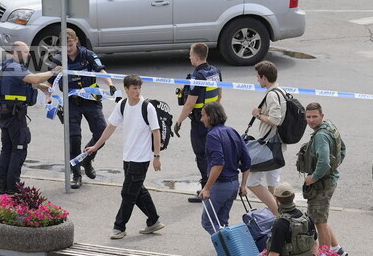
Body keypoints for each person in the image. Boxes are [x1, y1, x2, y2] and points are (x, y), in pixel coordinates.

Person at [85, 74, 163, 239]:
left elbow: (156, 132)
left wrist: (156, 156)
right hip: (128, 157)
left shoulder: (147, 107)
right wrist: (95, 147)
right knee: (138, 191)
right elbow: (110, 128)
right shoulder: (122, 105)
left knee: (127, 193)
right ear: (126, 89)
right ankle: (154, 220)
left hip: (141, 159)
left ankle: (119, 227)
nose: (137, 91)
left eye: (139, 88)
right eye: (134, 88)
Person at [51, 29, 116, 189]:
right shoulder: (58, 60)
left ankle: (87, 159)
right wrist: (46, 93)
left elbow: (101, 70)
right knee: (74, 139)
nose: (68, 49)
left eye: (71, 45)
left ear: (77, 41)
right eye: (65, 46)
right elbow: (49, 80)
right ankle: (76, 174)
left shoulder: (87, 55)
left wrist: (111, 85)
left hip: (90, 101)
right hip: (71, 103)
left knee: (101, 133)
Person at [0, 42, 58, 195]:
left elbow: (23, 83)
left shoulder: (4, 65)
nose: (29, 55)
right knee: (19, 149)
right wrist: (53, 72)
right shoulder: (15, 67)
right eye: (26, 52)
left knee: (7, 149)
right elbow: (33, 79)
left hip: (4, 113)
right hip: (15, 116)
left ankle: (3, 186)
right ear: (17, 52)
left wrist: (43, 88)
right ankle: (13, 188)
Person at [173, 43, 223, 203]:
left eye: (190, 54)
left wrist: (179, 121)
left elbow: (190, 103)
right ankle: (213, 187)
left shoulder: (197, 77)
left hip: (200, 122)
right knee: (214, 154)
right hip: (215, 118)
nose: (189, 56)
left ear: (195, 56)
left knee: (202, 155)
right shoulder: (215, 71)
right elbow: (219, 95)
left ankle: (206, 189)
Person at [299, 102, 348, 256]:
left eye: (314, 116)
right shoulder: (329, 127)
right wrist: (333, 168)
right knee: (321, 216)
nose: (311, 120)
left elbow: (324, 162)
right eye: (308, 117)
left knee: (319, 221)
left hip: (321, 184)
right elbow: (342, 150)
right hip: (330, 179)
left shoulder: (320, 135)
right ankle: (337, 249)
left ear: (322, 116)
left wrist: (313, 178)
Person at [197, 102, 250, 234]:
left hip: (220, 186)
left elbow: (218, 164)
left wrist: (207, 188)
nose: (201, 119)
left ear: (210, 117)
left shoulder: (212, 135)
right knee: (222, 222)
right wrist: (243, 185)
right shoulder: (232, 131)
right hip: (233, 185)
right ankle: (225, 254)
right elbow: (247, 160)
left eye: (203, 115)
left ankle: (227, 251)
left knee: (208, 222)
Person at [247, 61, 286, 217]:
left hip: (268, 145)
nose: (257, 80)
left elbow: (276, 119)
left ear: (264, 77)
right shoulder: (282, 91)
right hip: (278, 145)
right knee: (273, 184)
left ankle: (278, 214)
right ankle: (284, 213)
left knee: (252, 182)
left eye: (258, 77)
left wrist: (257, 115)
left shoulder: (271, 94)